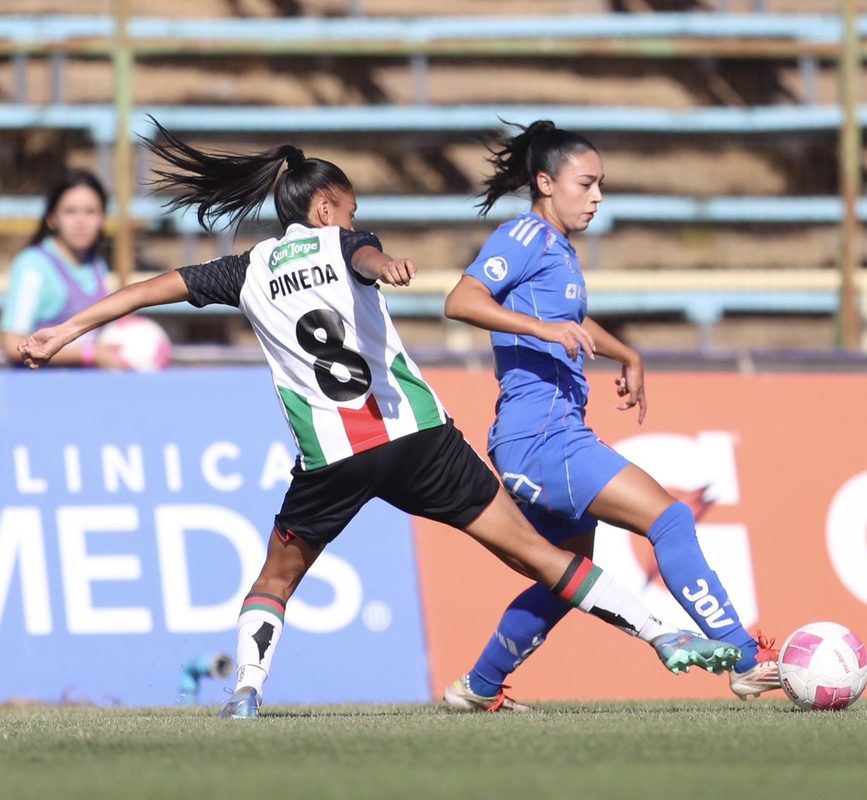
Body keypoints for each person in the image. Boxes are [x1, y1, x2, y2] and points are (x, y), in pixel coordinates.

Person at [17, 119, 743, 719]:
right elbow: (361, 257)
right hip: (418, 440)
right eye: (353, 209)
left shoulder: (246, 269)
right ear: (329, 207)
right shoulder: (342, 241)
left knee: (275, 578)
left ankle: (246, 688)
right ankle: (662, 633)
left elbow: (150, 290)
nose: (356, 220)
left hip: (331, 458)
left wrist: (65, 331)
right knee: (539, 556)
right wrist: (384, 260)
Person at [440, 120, 778, 712]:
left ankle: (479, 686)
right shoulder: (523, 234)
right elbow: (462, 300)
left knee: (568, 574)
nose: (597, 198)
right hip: (543, 438)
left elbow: (568, 319)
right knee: (670, 520)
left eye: (601, 186)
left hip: (540, 437)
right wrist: (544, 329)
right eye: (587, 184)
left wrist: (625, 352)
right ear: (545, 182)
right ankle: (744, 660)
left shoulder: (556, 250)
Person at [2, 169, 127, 369]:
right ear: (52, 218)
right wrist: (88, 354)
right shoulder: (32, 265)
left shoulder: (97, 265)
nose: (81, 221)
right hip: (39, 388)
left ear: (103, 219)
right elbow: (11, 343)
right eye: (70, 211)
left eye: (90, 211)